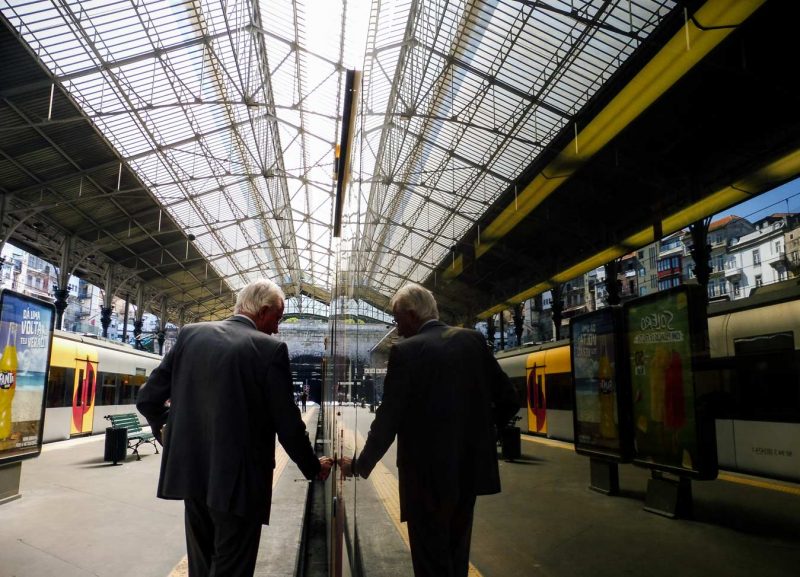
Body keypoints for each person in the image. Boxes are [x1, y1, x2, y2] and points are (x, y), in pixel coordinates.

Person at [136, 279, 333, 577]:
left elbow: (147, 399)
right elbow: (288, 425)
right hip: (240, 485)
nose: (277, 328)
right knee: (233, 568)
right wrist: (313, 467)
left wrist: (168, 428)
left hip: (191, 475)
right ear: (263, 311)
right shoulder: (269, 349)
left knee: (201, 566)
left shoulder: (191, 335)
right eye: (277, 319)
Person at [340, 283, 519, 577]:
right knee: (457, 553)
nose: (397, 329)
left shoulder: (406, 352)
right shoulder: (473, 341)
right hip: (468, 472)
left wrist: (360, 465)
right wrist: (480, 436)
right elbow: (509, 399)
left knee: (430, 560)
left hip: (424, 479)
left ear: (412, 315)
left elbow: (387, 421)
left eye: (398, 320)